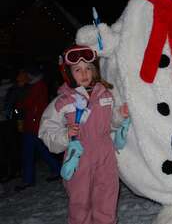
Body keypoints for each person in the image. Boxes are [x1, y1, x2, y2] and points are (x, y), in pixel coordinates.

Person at [39, 45, 129, 224]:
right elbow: (46, 131)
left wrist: (120, 115)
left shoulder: (105, 95)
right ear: (68, 73)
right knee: (80, 202)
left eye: (88, 68)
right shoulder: (63, 101)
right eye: (77, 69)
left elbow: (110, 123)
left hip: (105, 155)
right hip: (78, 156)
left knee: (107, 197)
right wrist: (65, 135)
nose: (84, 73)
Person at [14, 63, 61, 191]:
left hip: (34, 123)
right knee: (40, 149)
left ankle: (28, 179)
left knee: (30, 151)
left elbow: (25, 103)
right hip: (34, 123)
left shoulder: (37, 86)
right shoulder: (36, 85)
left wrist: (20, 92)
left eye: (25, 75)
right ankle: (57, 170)